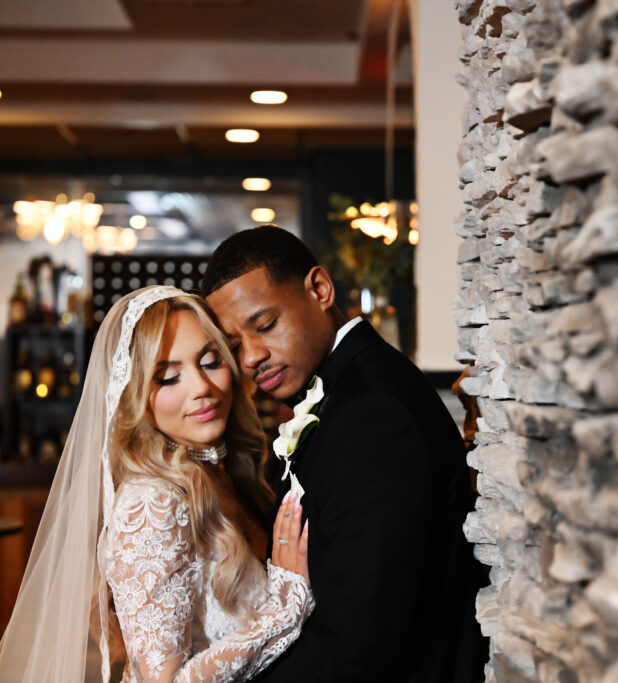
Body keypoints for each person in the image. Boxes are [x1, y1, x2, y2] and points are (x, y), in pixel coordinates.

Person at [201, 225, 487, 682]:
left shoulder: (373, 413)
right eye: (234, 346)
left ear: (319, 289)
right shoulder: (346, 390)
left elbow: (362, 643)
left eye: (266, 325)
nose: (252, 357)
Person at [0, 286, 315, 682]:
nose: (201, 388)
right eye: (168, 378)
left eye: (210, 361)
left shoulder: (220, 472)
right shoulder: (153, 504)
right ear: (134, 396)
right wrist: (283, 611)